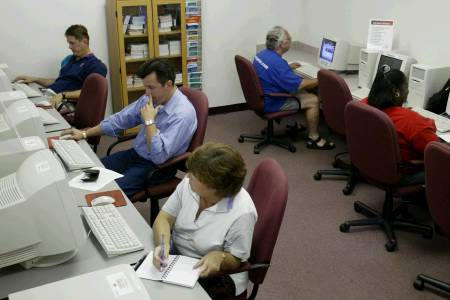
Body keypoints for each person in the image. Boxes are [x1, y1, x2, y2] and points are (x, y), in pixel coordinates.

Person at [61, 59, 197, 197]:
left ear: (168, 84)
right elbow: (121, 119)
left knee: (106, 193)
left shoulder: (182, 115)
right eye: (145, 87)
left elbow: (159, 156)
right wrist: (85, 133)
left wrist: (149, 122)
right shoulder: (152, 98)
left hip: (157, 167)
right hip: (135, 154)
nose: (146, 93)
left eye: (151, 87)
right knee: (87, 175)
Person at [152, 143, 258, 299]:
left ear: (214, 187)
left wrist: (220, 256)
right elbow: (164, 218)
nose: (187, 176)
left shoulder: (242, 212)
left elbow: (235, 260)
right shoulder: (190, 186)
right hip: (179, 259)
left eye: (194, 176)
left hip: (217, 277)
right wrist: (163, 245)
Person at [253, 26, 334, 150]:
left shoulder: (262, 54)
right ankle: (314, 138)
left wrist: (288, 68)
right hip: (272, 101)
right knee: (313, 99)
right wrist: (321, 79)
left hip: (260, 97)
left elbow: (272, 71)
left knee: (305, 92)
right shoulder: (277, 64)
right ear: (281, 44)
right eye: (289, 39)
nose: (291, 41)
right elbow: (299, 85)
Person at [365, 65, 440, 184]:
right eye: (406, 87)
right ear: (396, 91)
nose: (408, 91)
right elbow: (436, 150)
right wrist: (425, 121)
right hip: (403, 174)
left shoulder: (364, 106)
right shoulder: (410, 120)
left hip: (373, 163)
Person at [14, 24, 107, 107]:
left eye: (72, 43)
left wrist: (62, 95)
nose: (69, 47)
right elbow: (59, 81)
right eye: (68, 43)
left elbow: (90, 92)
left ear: (85, 41)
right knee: (19, 101)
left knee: (25, 110)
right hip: (50, 96)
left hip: (65, 103)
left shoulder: (96, 66)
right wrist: (35, 79)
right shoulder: (71, 59)